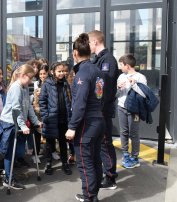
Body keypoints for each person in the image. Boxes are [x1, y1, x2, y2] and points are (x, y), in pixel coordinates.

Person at [65, 33, 105, 202]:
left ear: (75, 53)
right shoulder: (97, 70)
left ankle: (89, 197)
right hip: (98, 120)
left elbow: (80, 103)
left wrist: (72, 127)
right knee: (95, 160)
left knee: (85, 163)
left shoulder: (83, 73)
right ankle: (92, 194)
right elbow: (101, 95)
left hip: (86, 124)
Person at [0, 64, 41, 190]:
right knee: (11, 153)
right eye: (30, 78)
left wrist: (35, 121)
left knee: (19, 152)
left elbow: (29, 107)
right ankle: (9, 180)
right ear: (23, 75)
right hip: (10, 123)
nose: (31, 81)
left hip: (20, 123)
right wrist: (23, 125)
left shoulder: (25, 87)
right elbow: (16, 109)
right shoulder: (16, 88)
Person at [88, 30, 119, 189]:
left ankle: (110, 177)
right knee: (100, 143)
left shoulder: (108, 60)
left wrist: (96, 107)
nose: (88, 46)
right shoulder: (98, 60)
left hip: (102, 110)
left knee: (106, 143)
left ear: (94, 42)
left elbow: (103, 88)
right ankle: (105, 173)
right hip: (97, 110)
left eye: (89, 43)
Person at [39, 62, 72, 176]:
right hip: (51, 119)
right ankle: (49, 164)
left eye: (63, 71)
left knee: (63, 143)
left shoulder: (65, 83)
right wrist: (45, 117)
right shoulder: (47, 84)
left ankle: (65, 163)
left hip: (63, 119)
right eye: (59, 71)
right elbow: (42, 102)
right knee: (49, 144)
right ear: (53, 72)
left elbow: (68, 99)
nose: (62, 73)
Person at [116, 54, 147, 169]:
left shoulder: (140, 77)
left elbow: (144, 94)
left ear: (127, 66)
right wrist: (119, 88)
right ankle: (125, 154)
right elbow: (117, 95)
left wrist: (134, 84)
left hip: (135, 110)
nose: (120, 67)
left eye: (121, 65)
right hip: (121, 108)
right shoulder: (121, 77)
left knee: (134, 133)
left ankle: (134, 157)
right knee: (123, 132)